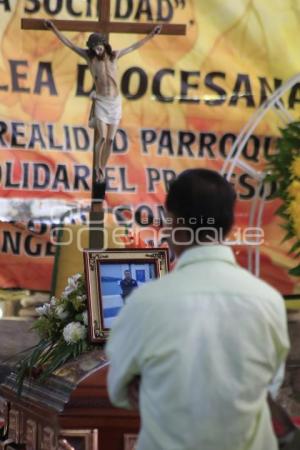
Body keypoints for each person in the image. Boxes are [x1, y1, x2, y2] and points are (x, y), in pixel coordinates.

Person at [106, 168, 290, 450]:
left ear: (173, 223)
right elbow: (269, 385)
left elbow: (119, 391)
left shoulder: (144, 302)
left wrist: (153, 385)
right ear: (228, 227)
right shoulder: (268, 301)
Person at [44, 20, 162, 182]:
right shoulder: (90, 58)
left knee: (110, 140)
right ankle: (96, 166)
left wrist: (151, 35)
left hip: (114, 102)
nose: (96, 50)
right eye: (93, 48)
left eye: (98, 47)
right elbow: (69, 44)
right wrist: (54, 29)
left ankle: (102, 169)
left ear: (104, 45)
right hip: (101, 100)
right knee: (101, 137)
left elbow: (135, 46)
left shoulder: (115, 56)